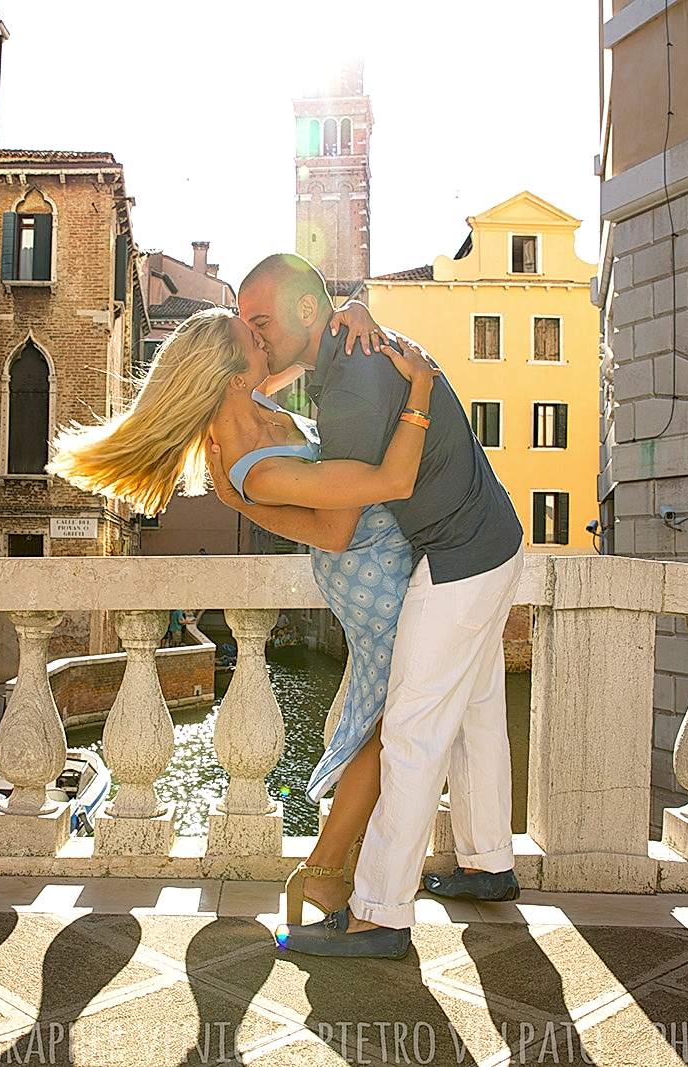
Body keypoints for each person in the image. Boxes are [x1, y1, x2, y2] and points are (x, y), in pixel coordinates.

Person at [46, 303, 436, 929]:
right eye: (249, 335)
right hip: (374, 577)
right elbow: (362, 508)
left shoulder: (253, 405)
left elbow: (301, 356)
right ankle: (325, 870)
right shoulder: (253, 463)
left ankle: (332, 868)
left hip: (388, 563)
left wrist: (355, 312)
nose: (263, 334)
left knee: (391, 722)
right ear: (229, 373)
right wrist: (420, 389)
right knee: (392, 726)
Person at [235, 253, 525, 960]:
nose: (255, 340)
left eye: (260, 323)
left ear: (308, 314)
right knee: (477, 709)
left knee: (413, 731)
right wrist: (350, 311)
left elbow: (344, 521)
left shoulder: (353, 382)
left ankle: (379, 913)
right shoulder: (345, 355)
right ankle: (490, 862)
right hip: (491, 540)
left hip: (458, 559)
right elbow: (274, 377)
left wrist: (242, 495)